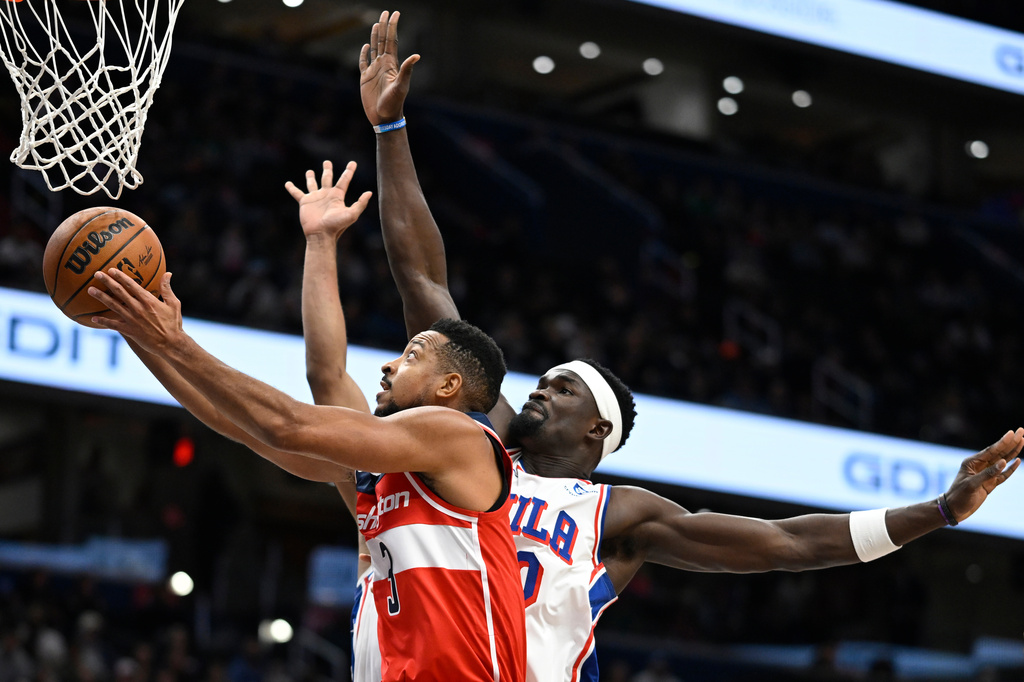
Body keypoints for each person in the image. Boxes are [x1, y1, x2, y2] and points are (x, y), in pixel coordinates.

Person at [334, 10, 1024, 682]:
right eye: (546, 379)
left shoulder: (620, 515)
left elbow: (785, 544)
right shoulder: (480, 448)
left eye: (564, 388)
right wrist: (391, 129)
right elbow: (425, 284)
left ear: (596, 430)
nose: (540, 387)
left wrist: (938, 511)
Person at [90, 167, 527, 682]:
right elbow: (243, 420)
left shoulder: (462, 437)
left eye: (411, 356)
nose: (388, 366)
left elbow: (288, 426)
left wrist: (175, 343)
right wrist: (138, 331)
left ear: (449, 387)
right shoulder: (383, 477)